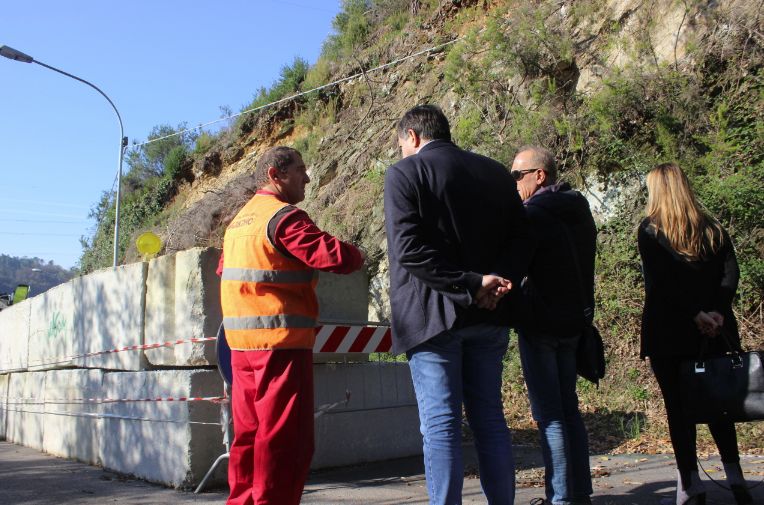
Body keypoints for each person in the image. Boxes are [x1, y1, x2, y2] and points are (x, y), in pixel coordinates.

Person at [384, 104, 528, 505]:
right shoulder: (494, 172)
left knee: (441, 425)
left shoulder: (405, 173)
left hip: (432, 319)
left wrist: (470, 283)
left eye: (400, 145)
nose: (400, 153)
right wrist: (493, 283)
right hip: (489, 314)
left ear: (412, 136)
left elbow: (409, 251)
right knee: (489, 420)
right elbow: (523, 239)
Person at [219, 146, 364, 505]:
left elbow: (225, 271)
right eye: (300, 169)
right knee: (285, 442)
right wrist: (359, 254)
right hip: (280, 348)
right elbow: (333, 256)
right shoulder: (283, 217)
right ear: (276, 175)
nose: (308, 177)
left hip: (241, 349)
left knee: (249, 438)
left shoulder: (239, 223)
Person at [638, 163, 752, 505]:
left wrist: (694, 314)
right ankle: (736, 480)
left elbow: (662, 283)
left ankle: (691, 486)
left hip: (669, 334)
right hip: (715, 332)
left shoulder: (650, 230)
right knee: (720, 408)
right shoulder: (712, 228)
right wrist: (716, 311)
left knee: (678, 410)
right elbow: (730, 274)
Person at [511, 146, 596, 505]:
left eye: (517, 176)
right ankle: (581, 494)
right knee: (569, 410)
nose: (513, 183)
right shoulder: (579, 208)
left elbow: (515, 269)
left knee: (550, 416)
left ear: (539, 175)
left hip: (542, 324)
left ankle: (560, 497)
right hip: (576, 322)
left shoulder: (532, 214)